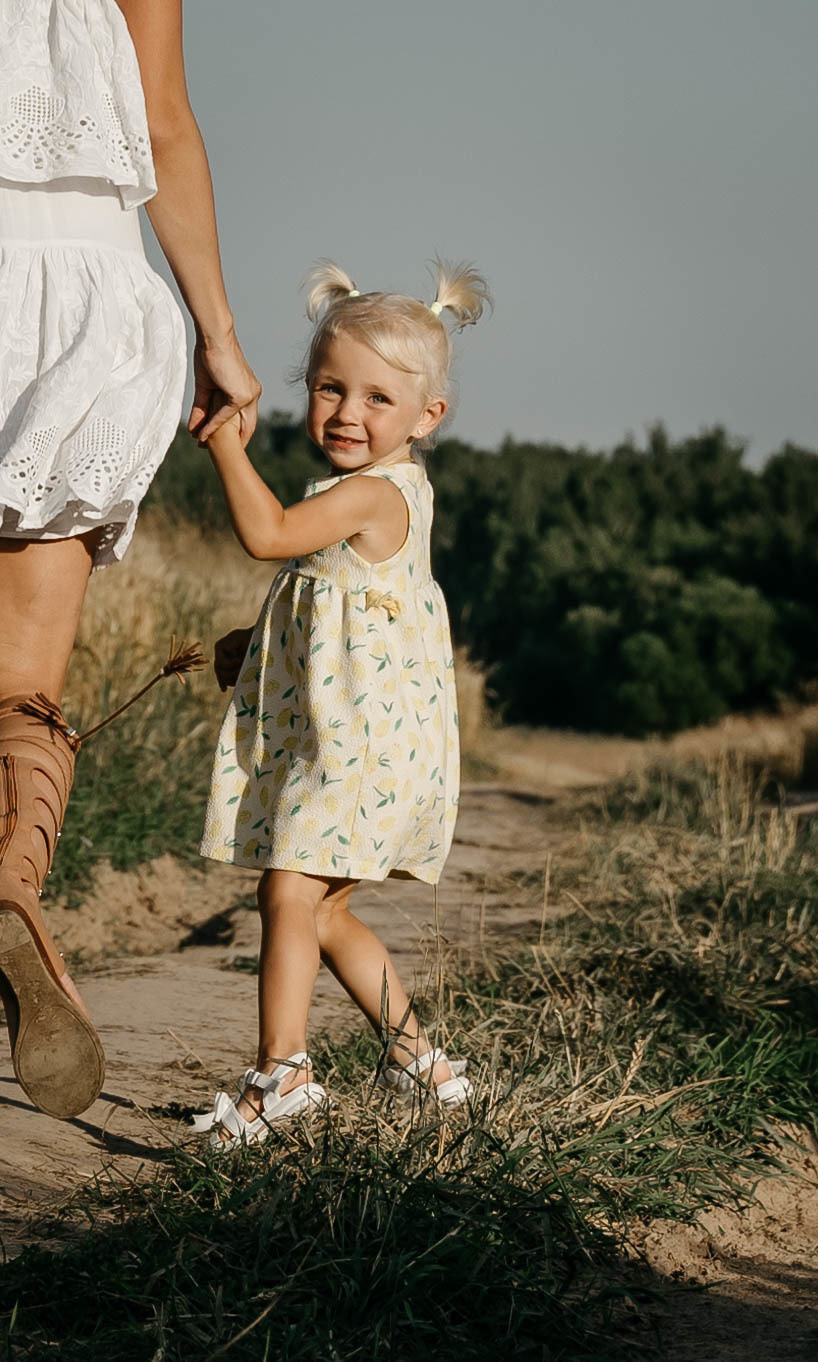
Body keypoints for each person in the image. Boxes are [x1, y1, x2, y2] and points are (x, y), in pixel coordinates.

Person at [0, 0, 260, 1121]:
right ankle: (10, 887)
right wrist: (218, 333)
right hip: (78, 294)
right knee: (22, 684)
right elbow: (164, 123)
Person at [193, 259, 491, 1150]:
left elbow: (267, 536)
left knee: (288, 891)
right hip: (364, 745)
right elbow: (337, 603)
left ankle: (280, 1073)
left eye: (376, 400)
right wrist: (262, 651)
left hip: (360, 751)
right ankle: (421, 1063)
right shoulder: (371, 495)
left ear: (426, 418)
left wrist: (223, 446)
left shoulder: (371, 495)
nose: (347, 414)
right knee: (323, 910)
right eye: (330, 389)